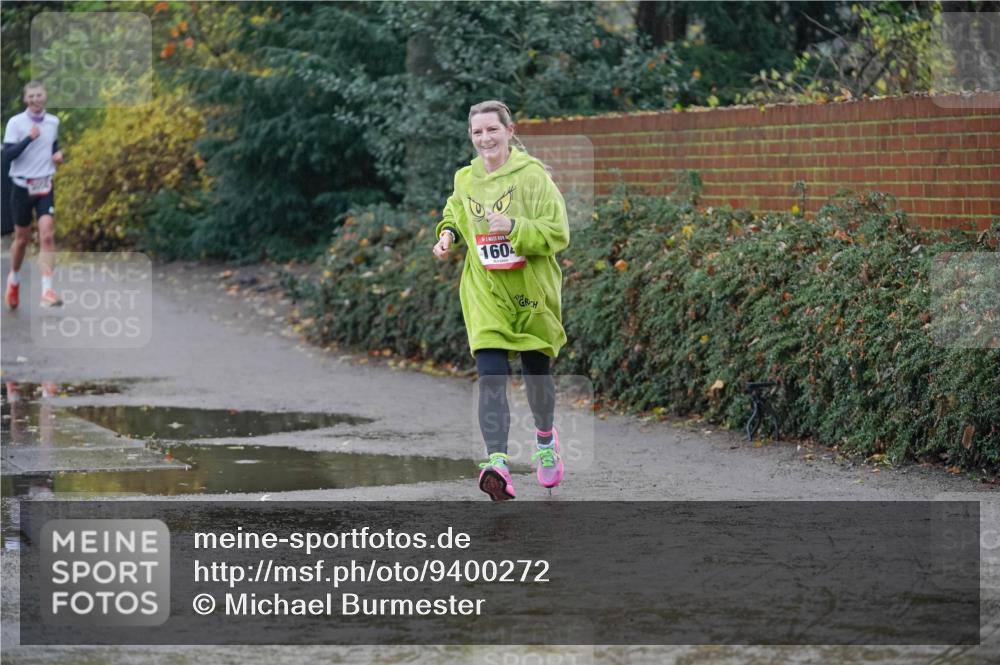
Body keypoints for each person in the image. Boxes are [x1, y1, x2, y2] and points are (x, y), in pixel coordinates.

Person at [432, 100, 570, 501]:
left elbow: (559, 232)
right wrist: (447, 235)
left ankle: (545, 440)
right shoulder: (465, 178)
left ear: (510, 132)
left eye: (492, 130)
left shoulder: (533, 177)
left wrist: (515, 227)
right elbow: (455, 213)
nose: (485, 138)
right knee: (491, 376)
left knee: (535, 374)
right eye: (477, 132)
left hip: (532, 292)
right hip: (486, 291)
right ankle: (497, 464)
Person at [4, 81, 64, 310]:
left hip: (45, 186)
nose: (36, 99)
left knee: (47, 236)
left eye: (39, 95)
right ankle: (14, 279)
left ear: (45, 97)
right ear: (25, 99)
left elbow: (53, 147)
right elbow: (7, 156)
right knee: (22, 240)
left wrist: (58, 156)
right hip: (21, 187)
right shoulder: (16, 123)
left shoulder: (53, 122)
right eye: (31, 96)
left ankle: (47, 290)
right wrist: (28, 138)